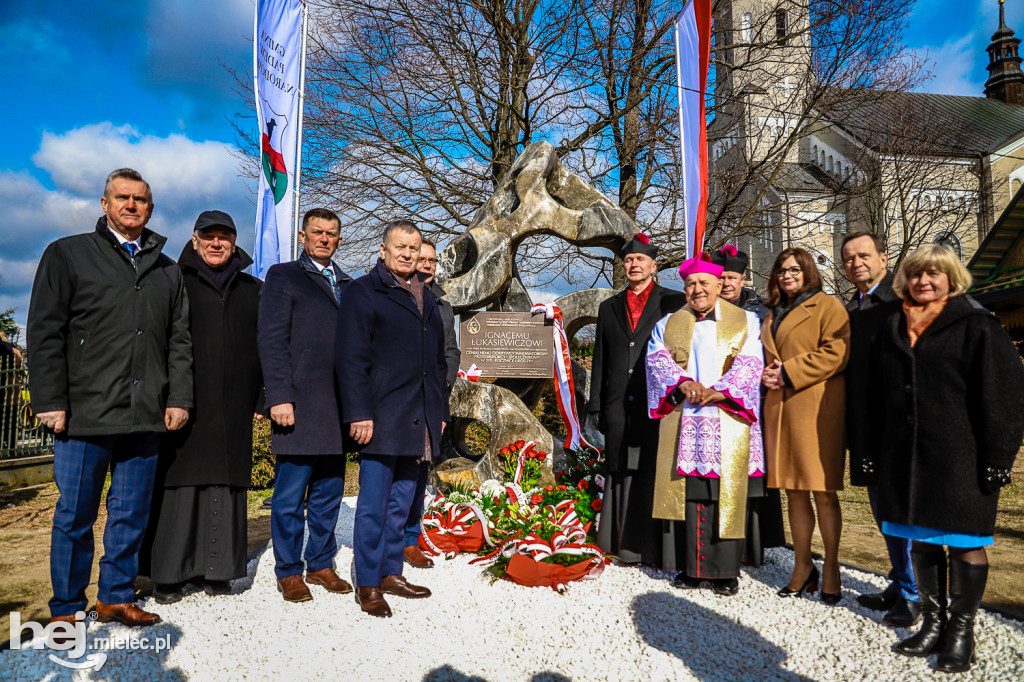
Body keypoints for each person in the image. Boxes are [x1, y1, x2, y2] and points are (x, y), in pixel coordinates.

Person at [27, 168, 192, 629]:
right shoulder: (68, 254)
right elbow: (44, 331)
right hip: (85, 412)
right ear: (105, 204)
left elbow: (179, 340)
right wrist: (49, 399)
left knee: (130, 514)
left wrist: (177, 398)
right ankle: (65, 610)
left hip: (145, 415)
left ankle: (116, 597)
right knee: (75, 515)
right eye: (123, 197)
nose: (131, 205)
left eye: (140, 199)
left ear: (151, 208)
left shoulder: (166, 269)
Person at [862, 244, 1024, 673]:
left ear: (952, 278)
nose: (924, 281)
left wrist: (998, 458)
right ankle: (932, 624)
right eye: (916, 274)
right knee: (923, 539)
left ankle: (961, 632)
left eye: (934, 274)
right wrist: (869, 452)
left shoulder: (977, 325)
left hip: (960, 458)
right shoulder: (891, 324)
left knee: (965, 542)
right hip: (904, 458)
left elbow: (1004, 396)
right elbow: (873, 395)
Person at [144, 211, 264, 603]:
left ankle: (219, 571)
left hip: (234, 404)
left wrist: (262, 398)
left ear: (234, 242)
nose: (216, 244)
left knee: (225, 485)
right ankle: (170, 574)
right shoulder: (170, 280)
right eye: (208, 237)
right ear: (194, 241)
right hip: (181, 403)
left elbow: (269, 349)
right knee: (179, 485)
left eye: (223, 237)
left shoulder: (253, 288)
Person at [336, 220, 449, 617]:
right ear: (383, 250)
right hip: (380, 416)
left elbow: (437, 364)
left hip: (419, 418)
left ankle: (390, 572)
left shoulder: (428, 298)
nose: (407, 253)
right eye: (399, 246)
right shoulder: (363, 292)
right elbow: (350, 359)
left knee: (402, 504)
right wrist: (359, 413)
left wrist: (440, 413)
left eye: (413, 248)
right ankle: (368, 582)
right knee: (373, 506)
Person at [646, 254, 766, 596]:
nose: (697, 289)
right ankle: (694, 568)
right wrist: (682, 383)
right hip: (687, 419)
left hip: (728, 417)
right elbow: (656, 359)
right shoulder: (668, 323)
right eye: (690, 284)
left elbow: (750, 363)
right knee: (695, 493)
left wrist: (720, 393)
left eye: (704, 283)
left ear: (719, 286)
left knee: (726, 492)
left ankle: (726, 571)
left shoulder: (747, 322)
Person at [258, 207, 354, 603]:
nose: (324, 239)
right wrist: (278, 396)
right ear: (302, 236)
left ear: (339, 239)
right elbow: (271, 340)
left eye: (332, 233)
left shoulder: (349, 284)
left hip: (338, 409)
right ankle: (288, 571)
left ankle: (320, 563)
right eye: (317, 232)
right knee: (288, 497)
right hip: (298, 405)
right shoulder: (284, 277)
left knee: (330, 493)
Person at [588, 233, 686, 568]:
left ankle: (654, 549)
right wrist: (596, 406)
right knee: (620, 472)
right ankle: (621, 545)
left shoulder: (674, 302)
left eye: (640, 260)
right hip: (618, 405)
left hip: (658, 404)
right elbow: (600, 358)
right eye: (629, 260)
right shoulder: (608, 307)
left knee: (652, 472)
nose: (633, 265)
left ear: (653, 266)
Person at [760, 247, 849, 605]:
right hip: (779, 409)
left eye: (795, 269)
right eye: (782, 270)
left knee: (823, 492)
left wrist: (789, 372)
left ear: (809, 271)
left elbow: (838, 352)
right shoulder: (770, 313)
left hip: (816, 409)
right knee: (793, 492)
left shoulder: (829, 306)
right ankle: (801, 565)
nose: (788, 275)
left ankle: (830, 567)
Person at [840, 231, 919, 628]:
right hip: (867, 427)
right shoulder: (852, 308)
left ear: (884, 258)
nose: (857, 263)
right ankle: (899, 578)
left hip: (900, 427)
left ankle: (914, 593)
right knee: (883, 511)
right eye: (850, 258)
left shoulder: (903, 302)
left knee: (904, 510)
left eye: (864, 255)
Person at [709, 244, 785, 560]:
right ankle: (721, 544)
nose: (727, 284)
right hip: (714, 405)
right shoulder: (703, 310)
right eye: (722, 278)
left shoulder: (764, 311)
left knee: (755, 481)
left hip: (755, 404)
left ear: (743, 279)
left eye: (733, 278)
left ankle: (755, 545)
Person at [402, 238, 460, 570]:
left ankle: (410, 539)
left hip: (429, 402)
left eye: (432, 261)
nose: (426, 264)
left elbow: (450, 352)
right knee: (389, 478)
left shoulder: (442, 307)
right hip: (396, 402)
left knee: (420, 474)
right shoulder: (391, 297)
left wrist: (443, 386)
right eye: (421, 258)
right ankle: (385, 539)